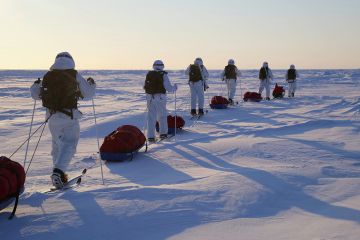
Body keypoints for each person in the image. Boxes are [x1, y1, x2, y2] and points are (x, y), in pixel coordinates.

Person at [30, 52, 96, 188]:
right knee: (69, 145)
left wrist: (35, 85)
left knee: (57, 146)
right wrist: (92, 84)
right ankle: (58, 172)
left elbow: (36, 95)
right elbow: (88, 94)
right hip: (68, 116)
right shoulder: (74, 74)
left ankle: (59, 176)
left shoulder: (49, 75)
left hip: (51, 117)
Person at [144, 60, 177, 142]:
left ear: (154, 65)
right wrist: (175, 88)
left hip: (150, 98)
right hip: (160, 98)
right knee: (162, 116)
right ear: (162, 66)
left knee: (151, 117)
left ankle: (151, 136)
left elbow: (144, 86)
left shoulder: (149, 74)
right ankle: (163, 134)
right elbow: (168, 88)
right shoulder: (163, 75)